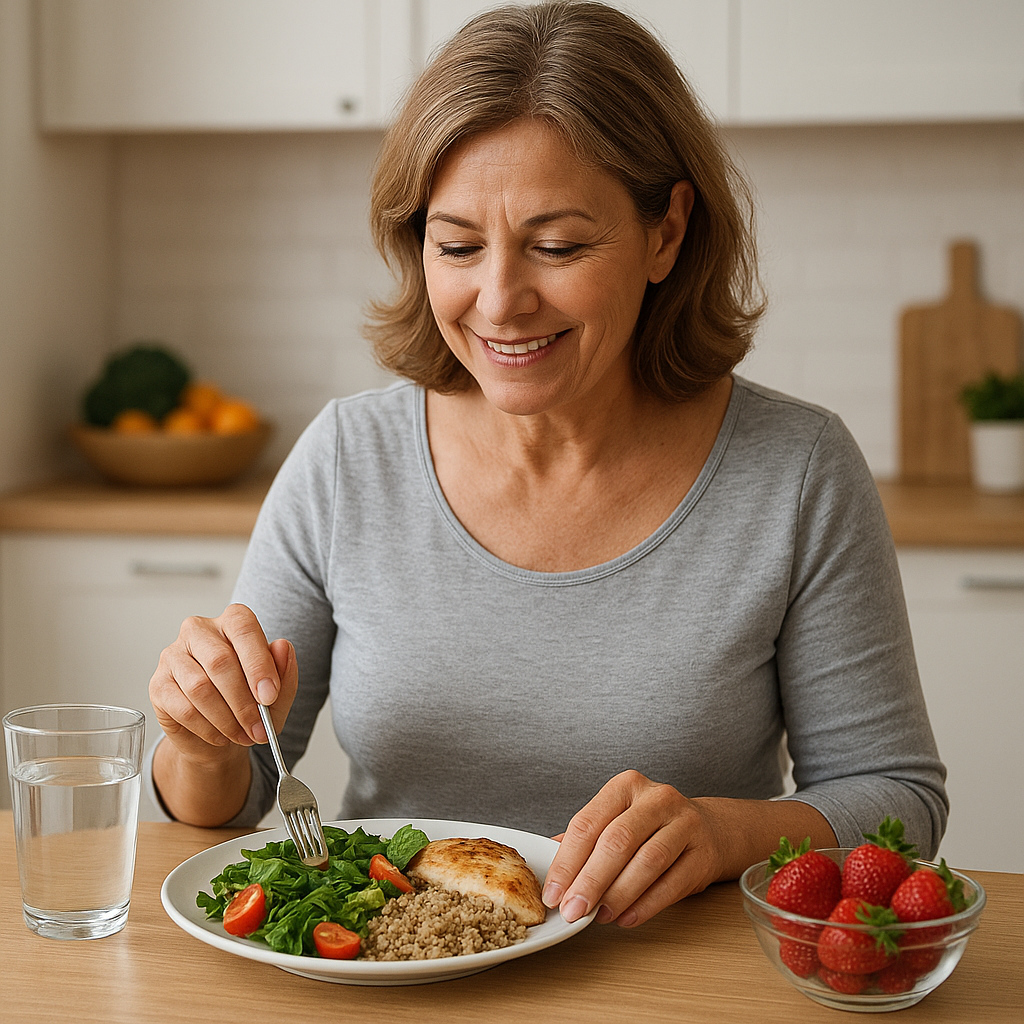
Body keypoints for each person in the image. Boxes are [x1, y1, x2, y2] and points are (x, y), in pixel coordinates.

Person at [148, 1, 947, 930]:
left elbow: (897, 801)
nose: (499, 301)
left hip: (675, 980)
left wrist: (725, 833)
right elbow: (238, 797)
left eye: (558, 247)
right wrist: (200, 743)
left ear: (666, 232)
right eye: (457, 246)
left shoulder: (797, 472)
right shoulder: (346, 461)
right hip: (402, 971)